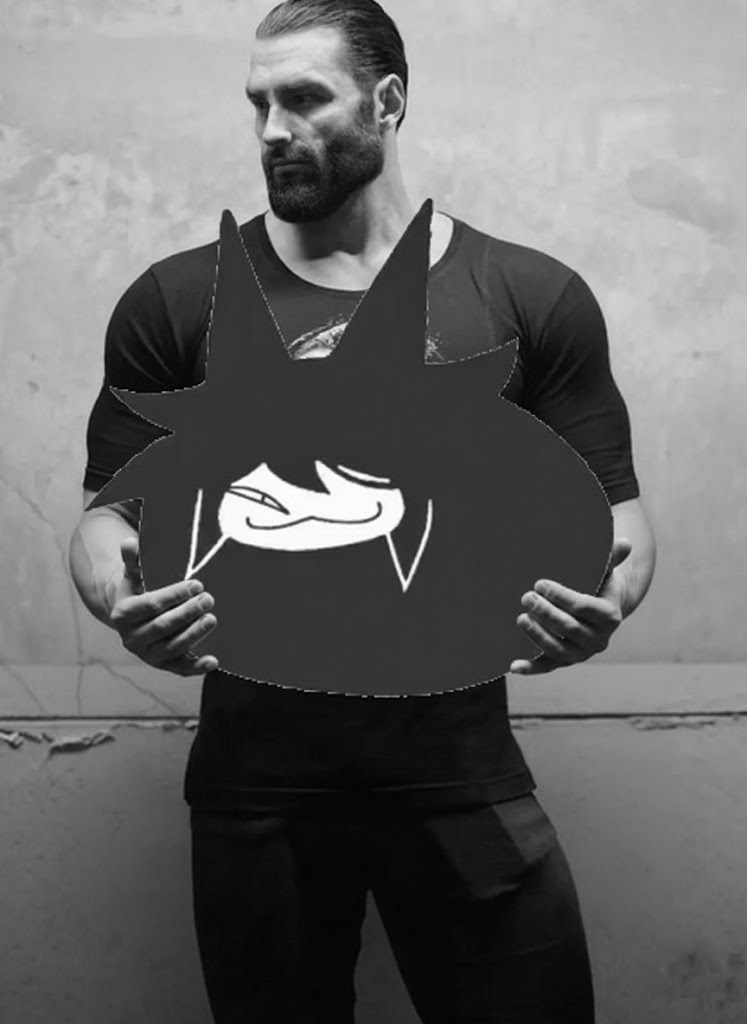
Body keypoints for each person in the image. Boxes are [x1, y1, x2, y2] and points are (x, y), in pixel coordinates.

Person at [68, 1, 657, 1020]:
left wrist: (603, 605)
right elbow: (102, 520)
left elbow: (621, 521)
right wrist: (121, 603)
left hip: (460, 772)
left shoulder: (524, 293)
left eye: (304, 99)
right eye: (258, 103)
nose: (272, 130)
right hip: (259, 789)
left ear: (387, 101)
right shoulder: (177, 299)